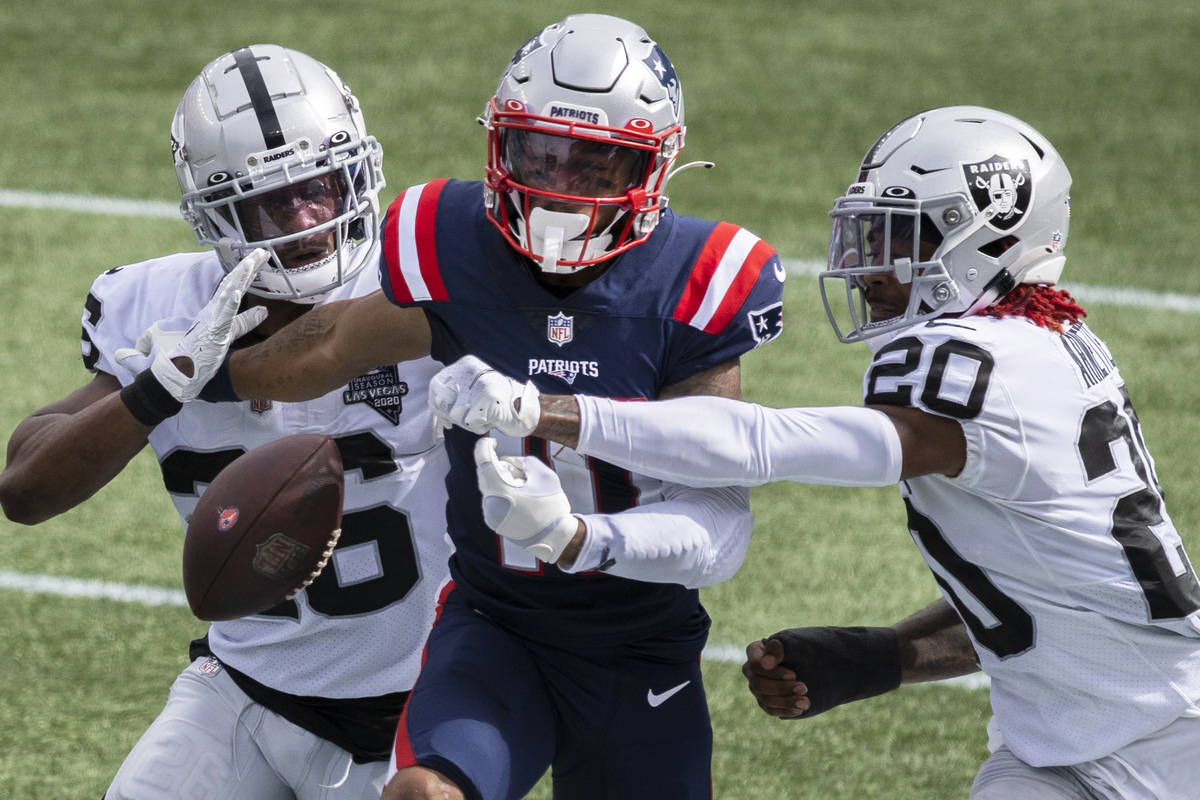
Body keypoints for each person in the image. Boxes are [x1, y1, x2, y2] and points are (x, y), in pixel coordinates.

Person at [429, 106, 1200, 799]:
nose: (870, 265)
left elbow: (757, 443)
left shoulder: (975, 366)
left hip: (1172, 746)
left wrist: (538, 408)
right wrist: (887, 655)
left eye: (901, 238)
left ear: (991, 244)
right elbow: (1045, 596)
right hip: (1067, 746)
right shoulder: (1050, 346)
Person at [134, 14, 786, 799]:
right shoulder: (449, 240)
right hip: (494, 625)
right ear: (498, 139)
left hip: (637, 647)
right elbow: (327, 345)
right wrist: (205, 376)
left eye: (595, 164)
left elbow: (721, 529)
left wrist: (579, 536)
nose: (558, 185)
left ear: (655, 164)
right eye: (538, 151)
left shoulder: (699, 281)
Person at [0, 44, 454, 800]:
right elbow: (23, 488)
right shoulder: (163, 312)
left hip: (414, 715)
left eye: (320, 184)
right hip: (244, 690)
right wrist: (157, 389)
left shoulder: (423, 290)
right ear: (217, 215)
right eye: (272, 202)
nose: (308, 220)